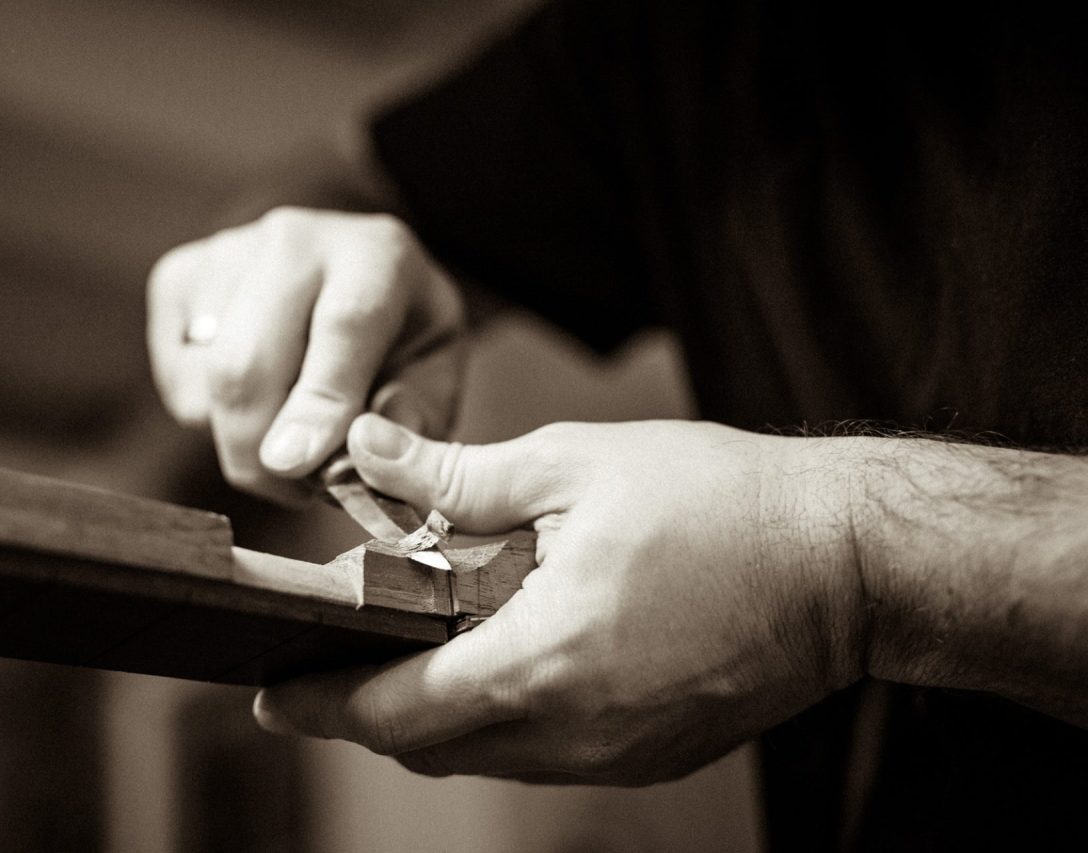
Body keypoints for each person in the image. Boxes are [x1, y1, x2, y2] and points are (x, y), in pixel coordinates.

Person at [147, 1, 1088, 848]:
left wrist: (847, 561)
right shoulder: (672, 37)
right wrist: (287, 276)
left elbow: (831, 555)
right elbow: (346, 187)